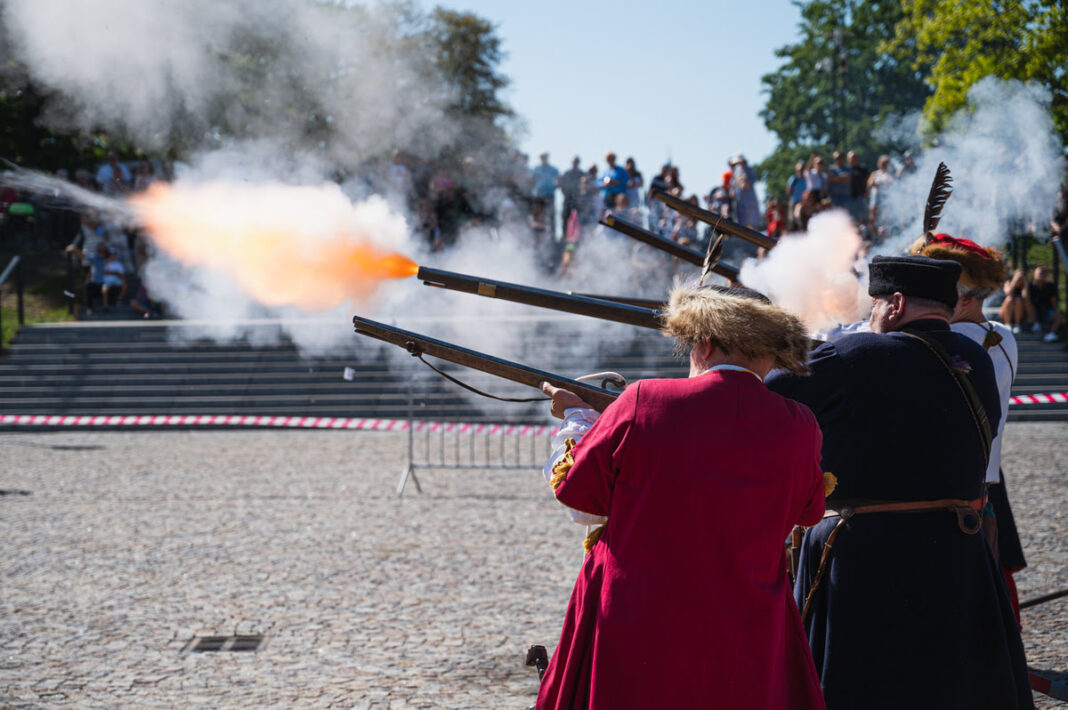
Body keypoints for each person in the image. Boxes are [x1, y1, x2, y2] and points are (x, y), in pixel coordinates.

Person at [535, 285, 827, 710]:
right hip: (748, 616)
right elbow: (810, 510)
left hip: (640, 611)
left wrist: (581, 419)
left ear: (704, 343)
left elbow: (578, 493)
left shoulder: (643, 399)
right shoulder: (800, 423)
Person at [767, 255, 1033, 710]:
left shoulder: (851, 354)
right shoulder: (977, 357)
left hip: (864, 555)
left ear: (894, 304)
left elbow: (771, 394)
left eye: (873, 306)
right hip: (956, 548)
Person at [911, 233, 1027, 622]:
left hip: (949, 482)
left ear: (963, 297)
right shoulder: (1002, 335)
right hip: (987, 476)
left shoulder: (949, 340)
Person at [65, 241, 109, 314]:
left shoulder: (110, 259)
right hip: (96, 283)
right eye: (99, 251)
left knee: (106, 287)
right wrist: (75, 249)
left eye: (103, 251)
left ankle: (106, 306)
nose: (101, 253)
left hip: (108, 283)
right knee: (88, 285)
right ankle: (89, 308)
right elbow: (83, 255)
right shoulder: (95, 258)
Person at [1028, 265, 1063, 342]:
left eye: (1044, 273)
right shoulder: (1029, 286)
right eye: (1039, 273)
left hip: (1047, 312)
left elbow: (1053, 301)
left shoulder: (1051, 286)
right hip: (1033, 312)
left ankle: (1051, 334)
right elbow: (1025, 298)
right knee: (1029, 305)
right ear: (1034, 274)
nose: (1041, 275)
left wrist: (1055, 312)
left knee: (1059, 316)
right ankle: (1035, 324)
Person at [729, 154, 762, 229]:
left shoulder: (750, 170)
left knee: (752, 219)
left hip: (750, 199)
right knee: (741, 219)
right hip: (740, 199)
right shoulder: (736, 171)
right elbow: (733, 184)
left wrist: (745, 180)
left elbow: (752, 181)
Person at [999, 268, 1031, 334]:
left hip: (1020, 313)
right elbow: (1008, 293)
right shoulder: (1008, 282)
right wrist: (1014, 281)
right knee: (1009, 299)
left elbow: (1025, 297)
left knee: (1018, 300)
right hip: (1005, 312)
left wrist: (1025, 284)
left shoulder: (1025, 285)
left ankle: (1017, 325)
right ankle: (1007, 325)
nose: (1019, 279)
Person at [846, 151, 870, 225]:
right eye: (852, 158)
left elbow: (868, 180)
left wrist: (866, 191)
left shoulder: (862, 169)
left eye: (855, 158)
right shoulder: (846, 169)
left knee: (863, 218)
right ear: (848, 159)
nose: (853, 159)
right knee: (850, 219)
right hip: (848, 198)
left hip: (860, 197)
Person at [787, 161, 808, 230]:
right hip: (794, 202)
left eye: (802, 169)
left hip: (804, 203)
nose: (800, 171)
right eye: (799, 170)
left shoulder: (807, 179)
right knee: (793, 220)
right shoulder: (793, 179)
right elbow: (789, 190)